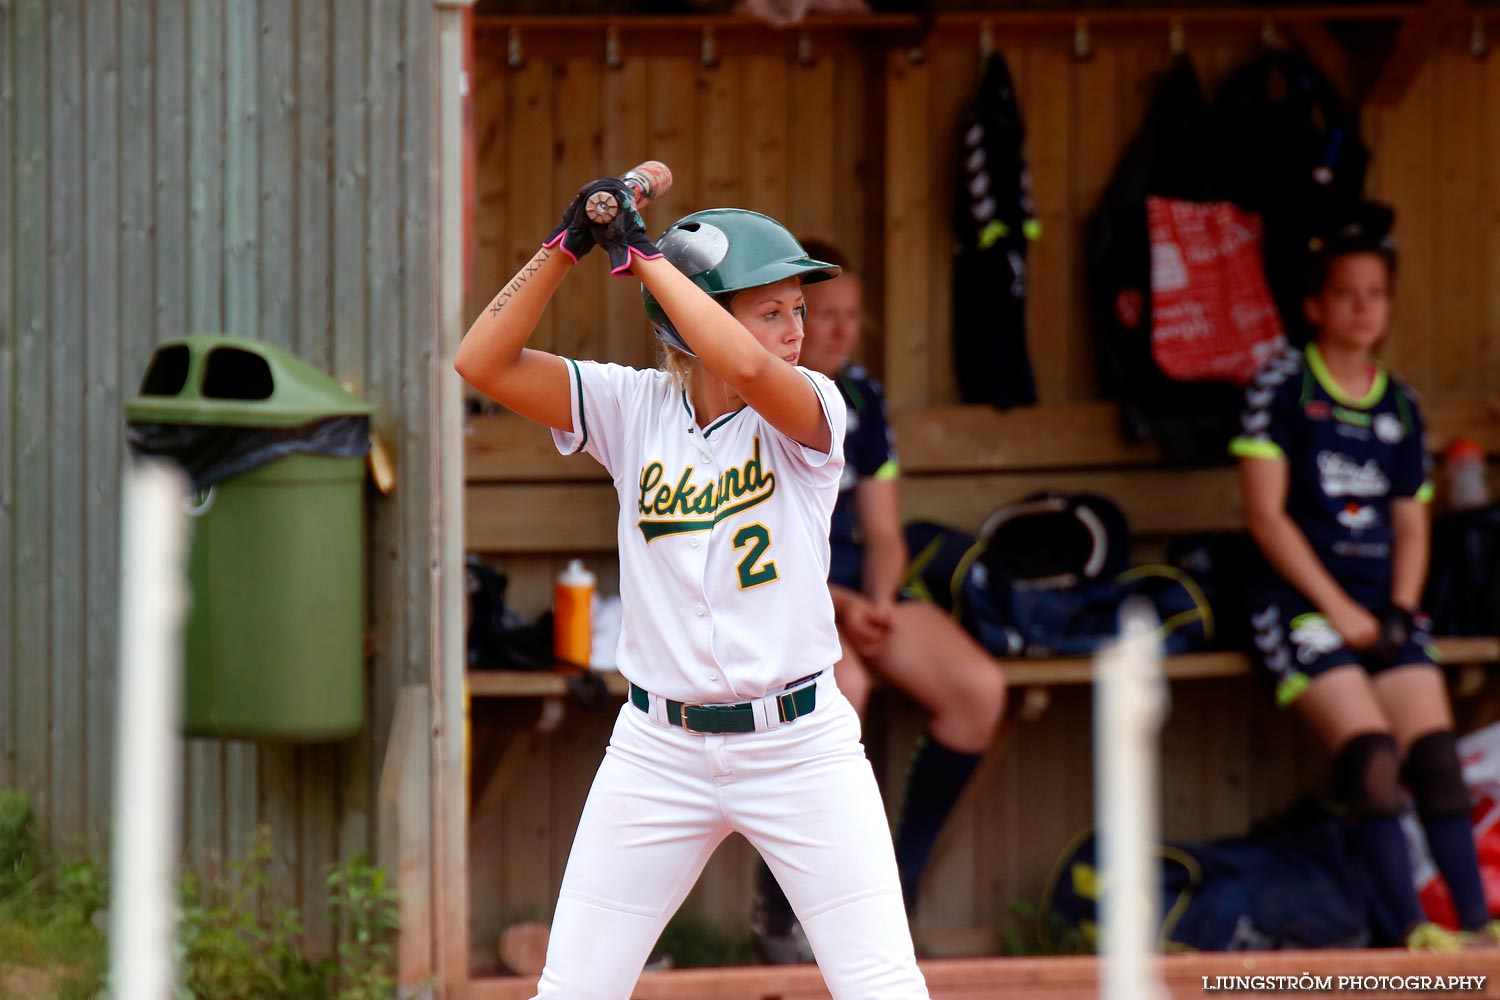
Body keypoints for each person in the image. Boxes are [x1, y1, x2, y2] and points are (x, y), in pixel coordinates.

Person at [455, 179, 933, 999]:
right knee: (570, 990)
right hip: (658, 750)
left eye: (798, 309)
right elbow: (481, 361)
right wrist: (566, 244)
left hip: (798, 743)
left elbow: (744, 365)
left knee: (883, 986)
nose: (796, 331)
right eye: (771, 309)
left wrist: (640, 257)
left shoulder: (815, 404)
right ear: (690, 319)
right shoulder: (631, 405)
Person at [1231, 206, 1498, 950]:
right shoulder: (1281, 385)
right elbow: (1265, 518)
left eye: (1375, 295)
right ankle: (1407, 937)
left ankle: (1479, 935)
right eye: (1345, 294)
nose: (1361, 308)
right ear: (1314, 305)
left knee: (1436, 759)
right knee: (1374, 758)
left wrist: (1401, 610)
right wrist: (1339, 607)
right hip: (1295, 602)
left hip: (1381, 604)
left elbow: (1413, 526)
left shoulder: (1401, 403)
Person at [750, 241, 1008, 963]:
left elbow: (886, 528)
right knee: (843, 692)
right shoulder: (751, 392)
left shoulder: (859, 396)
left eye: (847, 317)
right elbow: (747, 540)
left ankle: (898, 890)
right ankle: (781, 911)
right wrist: (833, 603)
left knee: (978, 689)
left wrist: (881, 602)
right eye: (818, 314)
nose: (832, 331)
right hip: (773, 590)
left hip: (858, 588)